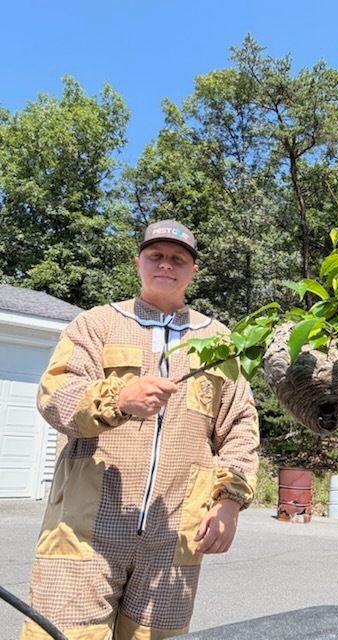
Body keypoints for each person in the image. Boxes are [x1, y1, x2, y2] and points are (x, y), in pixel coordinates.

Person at [20, 220, 259, 640]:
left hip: (175, 535)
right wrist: (117, 400)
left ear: (193, 271)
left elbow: (240, 426)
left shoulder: (220, 341)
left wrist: (230, 503)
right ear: (138, 262)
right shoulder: (95, 325)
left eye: (178, 258)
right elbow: (54, 395)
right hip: (85, 528)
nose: (166, 264)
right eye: (156, 255)